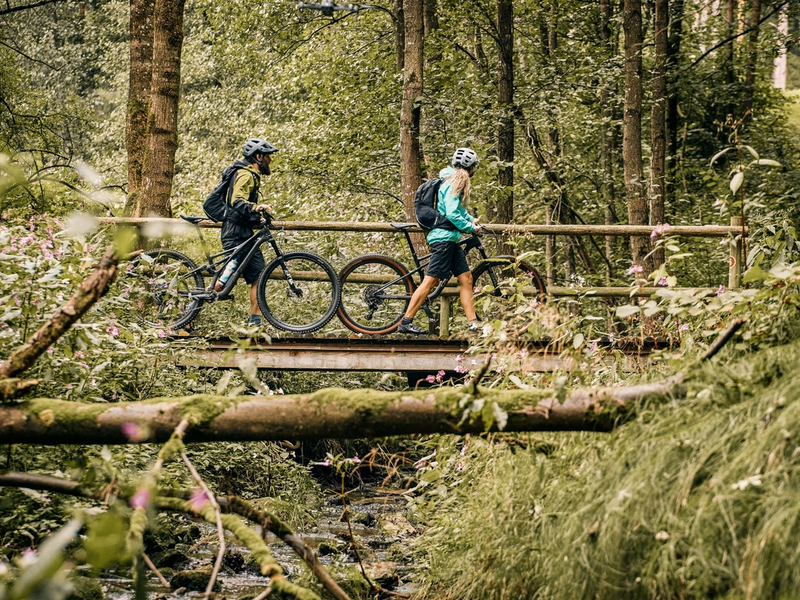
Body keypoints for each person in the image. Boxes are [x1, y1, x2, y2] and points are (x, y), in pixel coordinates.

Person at [398, 147, 483, 335]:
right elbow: (452, 213)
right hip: (444, 239)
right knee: (430, 281)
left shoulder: (452, 180)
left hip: (450, 239)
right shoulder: (456, 182)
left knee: (466, 279)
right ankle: (406, 321)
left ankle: (473, 323)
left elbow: (456, 210)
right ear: (470, 167)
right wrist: (470, 228)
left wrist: (470, 220)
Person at [217, 137, 278, 327]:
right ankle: (190, 309)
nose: (270, 161)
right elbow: (237, 201)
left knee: (258, 275)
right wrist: (256, 207)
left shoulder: (251, 175)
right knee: (226, 281)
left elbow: (241, 206)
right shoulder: (245, 174)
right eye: (268, 157)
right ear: (258, 156)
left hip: (245, 232)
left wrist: (255, 217)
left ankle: (255, 324)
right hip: (234, 233)